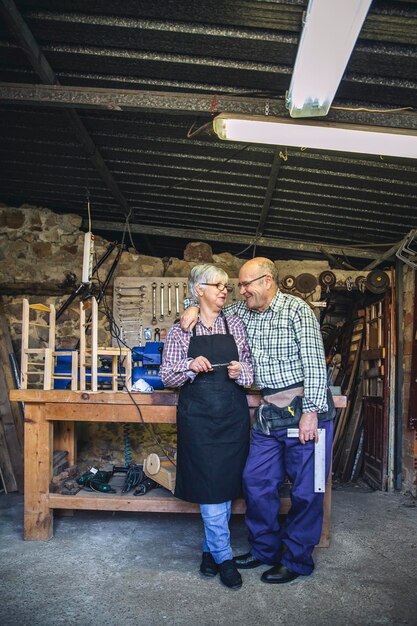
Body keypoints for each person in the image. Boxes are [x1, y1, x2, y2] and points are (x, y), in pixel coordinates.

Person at [181, 257, 335, 584]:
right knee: (255, 481)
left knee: (308, 491)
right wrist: (190, 307)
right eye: (237, 285)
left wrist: (311, 412)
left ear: (266, 281)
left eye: (245, 284)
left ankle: (296, 560)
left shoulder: (297, 311)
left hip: (305, 409)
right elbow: (210, 305)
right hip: (269, 411)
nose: (240, 291)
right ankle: (265, 550)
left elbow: (315, 364)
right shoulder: (242, 312)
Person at [159, 264, 254, 590]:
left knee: (223, 488)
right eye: (218, 285)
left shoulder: (236, 323)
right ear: (199, 289)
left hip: (231, 418)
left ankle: (209, 551)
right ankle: (225, 557)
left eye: (226, 286)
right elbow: (166, 375)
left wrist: (240, 371)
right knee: (212, 487)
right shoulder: (180, 331)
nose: (225, 291)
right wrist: (188, 365)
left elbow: (252, 374)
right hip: (198, 420)